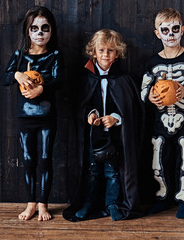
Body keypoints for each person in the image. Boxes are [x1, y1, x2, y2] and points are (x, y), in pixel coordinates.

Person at [63, 29, 143, 221]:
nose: (105, 55)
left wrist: (116, 117)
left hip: (115, 137)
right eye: (101, 50)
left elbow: (132, 110)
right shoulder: (86, 78)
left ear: (117, 54)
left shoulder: (124, 80)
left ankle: (112, 204)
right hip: (93, 137)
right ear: (94, 52)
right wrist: (91, 114)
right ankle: (89, 204)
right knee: (92, 172)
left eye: (110, 50)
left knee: (113, 172)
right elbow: (81, 104)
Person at [140, 8, 184, 218]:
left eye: (175, 29)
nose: (170, 34)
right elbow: (143, 88)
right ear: (157, 33)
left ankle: (183, 200)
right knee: (158, 158)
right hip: (160, 119)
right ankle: (162, 197)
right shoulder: (153, 62)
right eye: (165, 30)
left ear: (182, 30)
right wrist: (149, 98)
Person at [2, 6, 63, 221]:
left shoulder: (55, 55)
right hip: (24, 118)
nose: (39, 32)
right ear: (27, 31)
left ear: (51, 31)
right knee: (28, 160)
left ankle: (44, 205)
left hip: (47, 117)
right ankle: (31, 204)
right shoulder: (19, 56)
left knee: (45, 159)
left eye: (44, 28)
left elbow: (60, 80)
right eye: (34, 28)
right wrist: (17, 74)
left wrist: (42, 89)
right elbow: (5, 77)